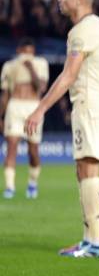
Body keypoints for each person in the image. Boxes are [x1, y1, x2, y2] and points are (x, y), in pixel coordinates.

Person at [25, 0, 99, 258]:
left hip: (90, 105)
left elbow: (69, 75)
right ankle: (89, 238)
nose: (59, 0)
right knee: (83, 169)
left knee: (88, 169)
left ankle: (97, 242)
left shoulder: (83, 31)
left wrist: (40, 108)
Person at [1, 38, 49, 199]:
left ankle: (32, 183)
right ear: (19, 51)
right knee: (11, 147)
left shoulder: (41, 64)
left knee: (33, 150)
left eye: (30, 52)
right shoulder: (9, 66)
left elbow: (41, 88)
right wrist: (1, 115)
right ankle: (9, 187)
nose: (27, 55)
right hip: (14, 106)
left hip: (33, 107)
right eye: (25, 52)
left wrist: (30, 69)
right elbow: (5, 93)